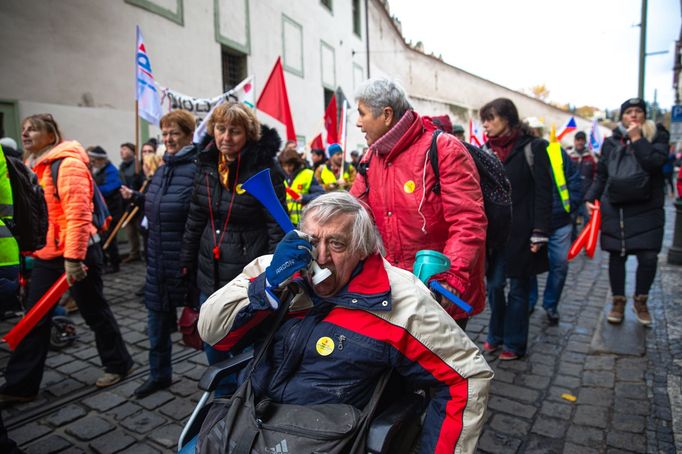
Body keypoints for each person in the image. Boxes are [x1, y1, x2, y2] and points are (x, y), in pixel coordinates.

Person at [197, 192, 493, 453]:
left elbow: (465, 377)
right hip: (247, 421)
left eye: (336, 244)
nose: (321, 257)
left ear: (363, 248)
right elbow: (212, 331)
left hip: (324, 438)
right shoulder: (277, 269)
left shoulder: (402, 301)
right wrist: (268, 285)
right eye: (312, 241)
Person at [0, 114, 132, 404]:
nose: (25, 134)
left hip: (78, 254)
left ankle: (119, 364)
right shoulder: (32, 164)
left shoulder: (67, 163)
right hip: (49, 255)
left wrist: (73, 258)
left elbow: (79, 215)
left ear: (51, 135)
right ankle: (20, 386)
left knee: (94, 311)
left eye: (33, 129)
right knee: (35, 318)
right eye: (23, 129)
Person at [350, 78, 487, 330]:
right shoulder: (370, 158)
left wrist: (448, 280)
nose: (357, 122)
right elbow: (356, 214)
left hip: (440, 293)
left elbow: (468, 220)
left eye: (362, 113)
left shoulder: (444, 149)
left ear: (387, 115)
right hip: (397, 290)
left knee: (442, 366)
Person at [180, 101, 285, 394]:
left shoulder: (265, 169)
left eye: (234, 131)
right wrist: (185, 259)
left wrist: (275, 274)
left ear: (248, 134)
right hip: (208, 272)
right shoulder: (207, 164)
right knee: (213, 340)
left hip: (245, 275)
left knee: (247, 344)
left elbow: (276, 225)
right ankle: (223, 399)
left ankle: (248, 396)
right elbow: (195, 216)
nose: (226, 137)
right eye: (220, 128)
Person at [120, 110, 199, 398]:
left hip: (185, 263)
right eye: (165, 134)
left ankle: (223, 387)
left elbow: (197, 215)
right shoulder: (162, 169)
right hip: (158, 262)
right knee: (156, 327)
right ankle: (159, 375)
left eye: (174, 133)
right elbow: (161, 206)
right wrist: (139, 198)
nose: (168, 139)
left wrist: (190, 260)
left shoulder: (199, 169)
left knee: (208, 327)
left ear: (189, 135)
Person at [584, 98, 668, 326]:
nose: (633, 115)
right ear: (622, 116)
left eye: (638, 111)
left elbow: (655, 162)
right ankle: (618, 302)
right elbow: (601, 174)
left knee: (648, 257)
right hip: (617, 210)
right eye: (629, 112)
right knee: (617, 256)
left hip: (648, 210)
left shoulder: (658, 135)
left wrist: (638, 139)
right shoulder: (611, 142)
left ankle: (641, 301)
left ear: (644, 115)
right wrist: (590, 196)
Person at [480, 98, 552, 360]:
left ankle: (514, 342)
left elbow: (545, 193)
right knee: (495, 286)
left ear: (508, 120)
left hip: (524, 233)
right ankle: (495, 335)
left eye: (491, 119)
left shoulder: (534, 148)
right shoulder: (485, 152)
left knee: (520, 290)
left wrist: (541, 231)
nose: (486, 125)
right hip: (494, 235)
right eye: (484, 120)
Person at [527, 125, 582, 325]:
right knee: (530, 267)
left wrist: (570, 207)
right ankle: (530, 302)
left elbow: (575, 180)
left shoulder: (556, 152)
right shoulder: (523, 154)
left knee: (559, 265)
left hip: (559, 222)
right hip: (532, 223)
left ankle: (550, 305)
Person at [88, 146, 123, 273]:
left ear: (100, 160)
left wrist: (93, 190)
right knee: (102, 238)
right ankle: (105, 262)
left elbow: (111, 188)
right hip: (101, 211)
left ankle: (115, 264)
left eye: (94, 160)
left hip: (112, 210)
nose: (92, 163)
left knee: (110, 238)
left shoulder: (111, 170)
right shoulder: (95, 170)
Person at [278, 148, 324, 226]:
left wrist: (304, 198)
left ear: (296, 163)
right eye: (284, 166)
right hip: (286, 221)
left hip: (304, 222)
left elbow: (321, 194)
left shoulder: (307, 174)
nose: (287, 169)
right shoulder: (280, 176)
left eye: (290, 165)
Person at [569, 131, 598, 239]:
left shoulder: (591, 157)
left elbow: (597, 175)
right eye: (578, 140)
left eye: (582, 140)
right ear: (574, 141)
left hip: (587, 196)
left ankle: (586, 244)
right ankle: (573, 246)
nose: (580, 142)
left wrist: (593, 193)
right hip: (573, 196)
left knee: (588, 222)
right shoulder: (569, 156)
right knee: (571, 221)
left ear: (585, 141)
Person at [119, 142, 144, 263]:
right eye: (121, 149)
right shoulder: (122, 166)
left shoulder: (138, 165)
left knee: (142, 228)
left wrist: (135, 194)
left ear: (132, 151)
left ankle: (146, 252)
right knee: (130, 230)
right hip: (127, 202)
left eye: (124, 149)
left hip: (138, 201)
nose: (121, 151)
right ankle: (135, 252)